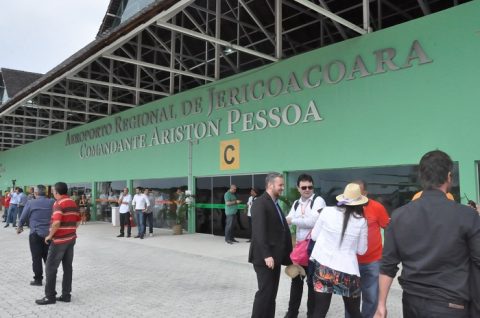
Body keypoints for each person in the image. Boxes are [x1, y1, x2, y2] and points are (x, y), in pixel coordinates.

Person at [374, 150, 480, 318]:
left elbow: (388, 265)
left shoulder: (399, 216)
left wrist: (381, 305)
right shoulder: (467, 215)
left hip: (412, 305)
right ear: (449, 176)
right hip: (452, 306)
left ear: (422, 178)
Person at [310, 183, 368, 318]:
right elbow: (361, 251)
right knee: (354, 312)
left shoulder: (326, 211)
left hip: (324, 268)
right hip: (348, 271)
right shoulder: (361, 221)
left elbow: (314, 236)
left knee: (319, 311)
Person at [249, 172, 292, 318]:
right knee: (265, 294)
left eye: (283, 185)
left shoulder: (274, 204)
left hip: (274, 258)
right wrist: (267, 254)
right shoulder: (260, 203)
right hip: (265, 258)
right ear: (270, 185)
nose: (282, 188)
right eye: (280, 185)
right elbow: (259, 232)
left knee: (271, 295)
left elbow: (280, 229)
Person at [344, 181, 389, 318]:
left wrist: (387, 250)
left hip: (372, 261)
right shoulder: (345, 207)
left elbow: (387, 227)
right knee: (351, 297)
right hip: (351, 261)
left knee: (371, 298)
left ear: (365, 193)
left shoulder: (377, 207)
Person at [284, 174, 326, 318]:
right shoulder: (296, 203)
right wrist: (297, 219)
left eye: (310, 187)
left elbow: (314, 221)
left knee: (312, 284)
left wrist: (294, 220)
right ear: (298, 188)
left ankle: (312, 314)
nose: (307, 190)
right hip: (299, 249)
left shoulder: (318, 201)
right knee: (296, 281)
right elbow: (286, 220)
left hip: (314, 249)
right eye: (304, 187)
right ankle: (291, 313)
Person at [35, 182, 80, 305]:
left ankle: (50, 296)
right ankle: (66, 295)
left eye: (54, 191)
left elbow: (56, 223)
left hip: (59, 241)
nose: (53, 193)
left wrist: (50, 236)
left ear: (57, 192)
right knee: (68, 268)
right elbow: (78, 221)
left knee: (50, 268)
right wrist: (70, 231)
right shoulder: (72, 202)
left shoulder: (58, 203)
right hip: (71, 240)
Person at [16, 185, 54, 286]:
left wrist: (19, 227)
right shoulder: (51, 202)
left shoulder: (31, 202)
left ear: (35, 193)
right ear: (45, 193)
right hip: (49, 234)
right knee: (48, 257)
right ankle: (51, 278)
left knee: (36, 257)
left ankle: (38, 280)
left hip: (35, 233)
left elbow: (23, 216)